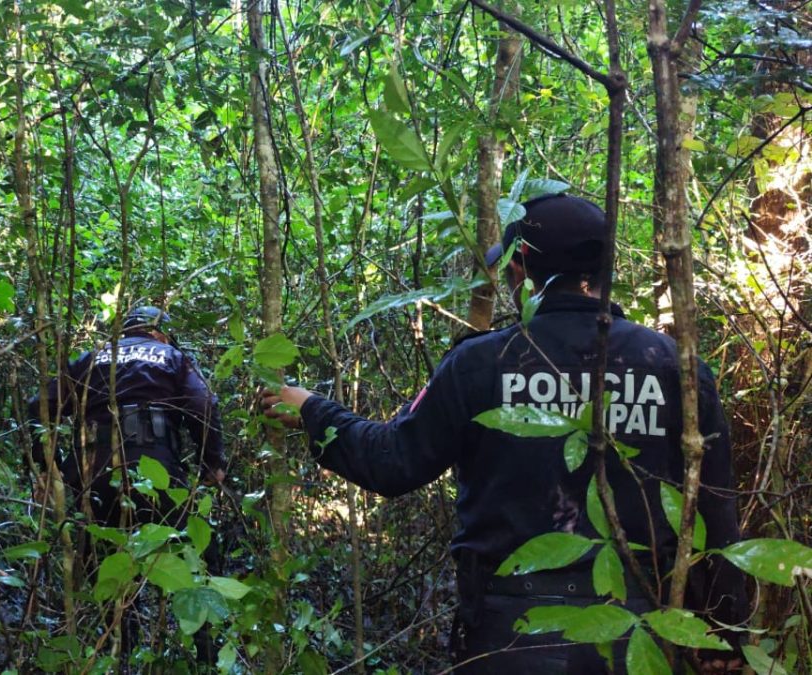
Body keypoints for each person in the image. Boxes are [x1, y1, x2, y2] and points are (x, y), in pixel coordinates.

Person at [261, 194, 746, 673]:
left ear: (522, 269)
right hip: (639, 630)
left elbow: (393, 461)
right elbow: (715, 505)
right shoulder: (673, 366)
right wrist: (725, 631)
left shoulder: (480, 362)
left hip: (511, 633)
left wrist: (313, 411)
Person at [27, 305, 227, 529]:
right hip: (153, 464)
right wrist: (213, 463)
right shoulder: (174, 356)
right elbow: (203, 404)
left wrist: (49, 467)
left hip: (92, 470)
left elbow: (40, 406)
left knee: (97, 550)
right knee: (168, 548)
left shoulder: (88, 358)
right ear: (161, 335)